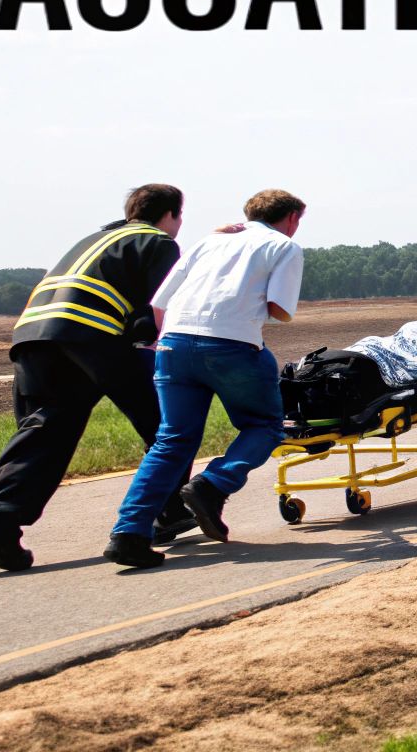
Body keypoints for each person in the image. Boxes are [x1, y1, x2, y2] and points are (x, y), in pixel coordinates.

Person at [0, 184, 196, 572]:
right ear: (172, 214)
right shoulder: (158, 242)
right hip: (94, 335)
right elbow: (155, 312)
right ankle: (162, 513)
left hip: (33, 336)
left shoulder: (95, 238)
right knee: (169, 425)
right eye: (179, 217)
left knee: (45, 428)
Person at [105, 189, 306, 568]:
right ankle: (212, 486)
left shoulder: (210, 241)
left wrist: (169, 342)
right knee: (264, 425)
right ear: (293, 217)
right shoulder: (284, 246)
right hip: (232, 347)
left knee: (172, 440)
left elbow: (160, 301)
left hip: (173, 346)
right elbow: (280, 310)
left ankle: (128, 533)